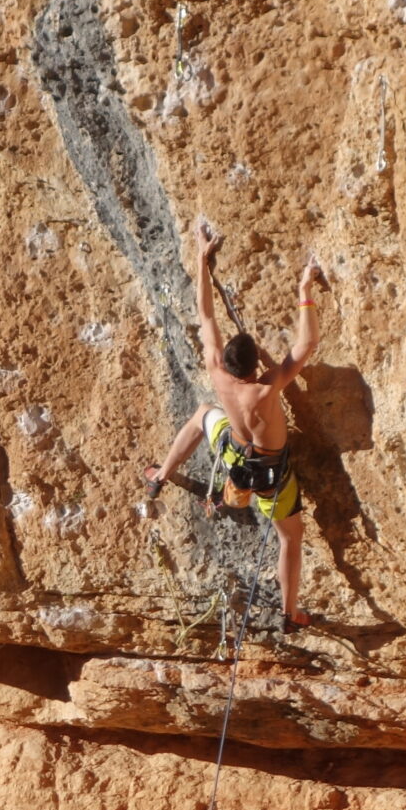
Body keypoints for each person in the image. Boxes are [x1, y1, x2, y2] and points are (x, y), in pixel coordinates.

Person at [142, 217, 329, 629]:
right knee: (289, 537)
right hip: (270, 475)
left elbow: (206, 316)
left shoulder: (217, 371)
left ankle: (161, 474)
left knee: (202, 415)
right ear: (255, 365)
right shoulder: (265, 389)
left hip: (233, 453)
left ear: (228, 363)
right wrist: (305, 289)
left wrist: (201, 258)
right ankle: (289, 613)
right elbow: (307, 344)